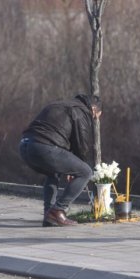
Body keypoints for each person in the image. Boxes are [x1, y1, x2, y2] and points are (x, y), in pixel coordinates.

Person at [19, 94, 102, 227]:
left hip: (25, 145)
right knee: (85, 172)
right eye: (95, 117)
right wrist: (77, 166)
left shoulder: (59, 104)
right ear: (93, 109)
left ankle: (49, 214)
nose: (94, 120)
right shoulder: (81, 111)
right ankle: (58, 210)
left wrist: (70, 166)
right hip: (44, 147)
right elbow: (82, 144)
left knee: (53, 173)